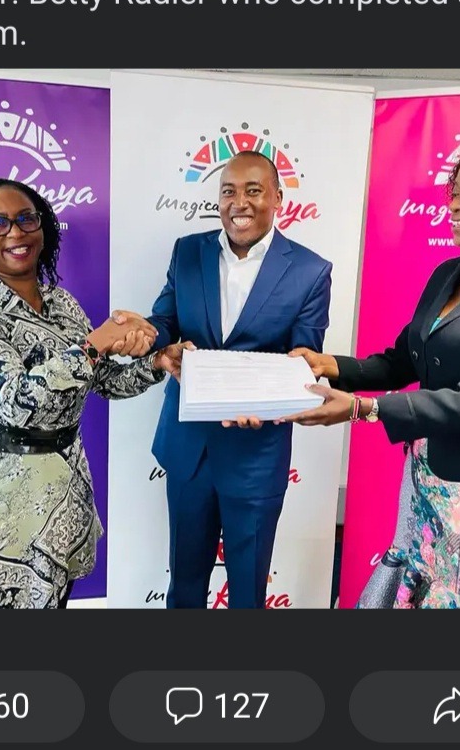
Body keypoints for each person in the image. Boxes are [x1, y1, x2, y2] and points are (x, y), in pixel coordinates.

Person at [286, 131, 460, 609]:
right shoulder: (448, 274)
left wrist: (362, 410)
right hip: (430, 474)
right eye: (453, 191)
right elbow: (405, 360)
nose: (454, 204)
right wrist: (328, 365)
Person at [0, 178, 189, 609]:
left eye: (26, 219)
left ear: (43, 228)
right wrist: (97, 342)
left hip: (58, 493)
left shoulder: (64, 305)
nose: (16, 233)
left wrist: (156, 364)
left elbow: (103, 381)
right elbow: (16, 401)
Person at [117, 150, 332, 608]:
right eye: (228, 191)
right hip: (189, 447)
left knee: (248, 594)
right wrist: (148, 334)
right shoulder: (187, 251)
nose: (240, 203)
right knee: (185, 587)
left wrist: (269, 404)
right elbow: (167, 320)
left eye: (254, 190)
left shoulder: (311, 272)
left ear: (278, 197)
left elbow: (303, 360)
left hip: (256, 455)